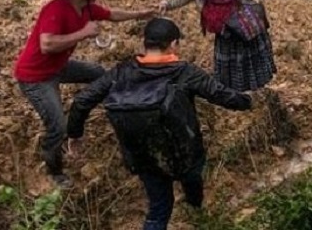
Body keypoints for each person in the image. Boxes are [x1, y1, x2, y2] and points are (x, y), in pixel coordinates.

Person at [66, 17, 252, 230]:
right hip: (184, 153)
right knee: (192, 180)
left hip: (142, 156)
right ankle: (195, 207)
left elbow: (82, 100)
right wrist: (248, 101)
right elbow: (220, 95)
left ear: (145, 43)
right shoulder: (184, 72)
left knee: (159, 206)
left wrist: (75, 134)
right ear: (173, 44)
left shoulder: (122, 71)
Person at [14, 0, 153, 188]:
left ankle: (103, 115)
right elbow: (47, 44)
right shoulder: (56, 9)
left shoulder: (87, 7)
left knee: (99, 74)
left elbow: (112, 14)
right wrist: (83, 32)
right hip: (35, 77)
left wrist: (141, 13)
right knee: (58, 125)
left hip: (57, 67)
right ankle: (54, 169)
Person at [157, 0, 276, 92]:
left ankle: (257, 88)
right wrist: (166, 3)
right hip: (226, 33)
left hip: (245, 28)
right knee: (232, 66)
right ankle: (234, 92)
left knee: (250, 60)